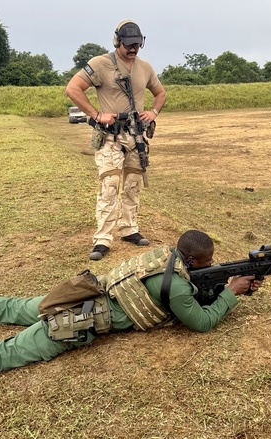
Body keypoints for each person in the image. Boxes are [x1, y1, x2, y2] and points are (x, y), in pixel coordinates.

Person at [0, 230, 263, 425]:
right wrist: (230, 293)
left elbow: (188, 290)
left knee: (13, 306)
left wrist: (218, 287)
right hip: (84, 319)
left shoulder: (165, 256)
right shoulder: (177, 286)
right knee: (2, 353)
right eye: (207, 262)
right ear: (193, 261)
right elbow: (202, 322)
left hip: (81, 293)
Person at [65, 20, 167, 260]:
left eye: (137, 45)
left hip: (136, 137)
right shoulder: (100, 64)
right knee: (110, 186)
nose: (133, 49)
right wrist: (96, 114)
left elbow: (160, 93)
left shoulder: (145, 67)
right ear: (117, 41)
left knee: (133, 184)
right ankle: (102, 239)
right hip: (111, 136)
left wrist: (153, 112)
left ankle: (129, 228)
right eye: (129, 44)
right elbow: (73, 88)